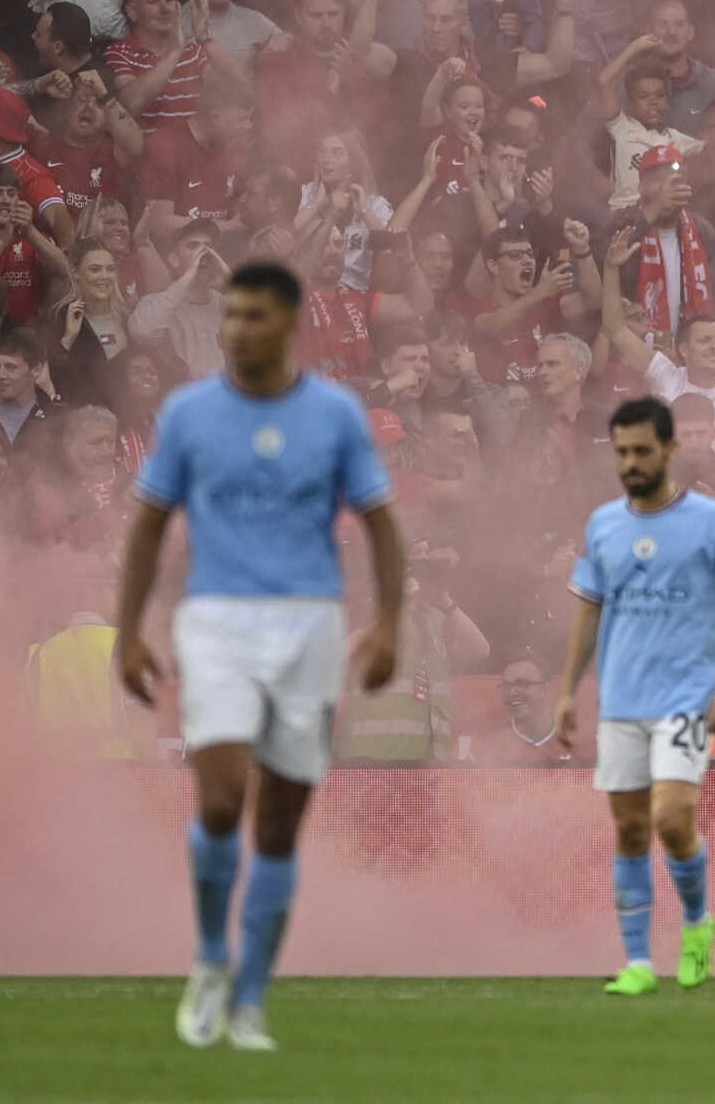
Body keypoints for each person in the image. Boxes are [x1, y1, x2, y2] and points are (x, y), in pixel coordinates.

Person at [115, 261, 406, 1051]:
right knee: (218, 799)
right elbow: (147, 524)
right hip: (215, 620)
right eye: (231, 315)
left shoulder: (336, 416)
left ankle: (249, 999)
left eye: (252, 316)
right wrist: (127, 628)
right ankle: (211, 956)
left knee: (278, 821)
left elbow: (381, 523)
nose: (236, 328)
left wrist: (387, 626)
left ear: (289, 323)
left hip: (310, 622)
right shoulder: (189, 413)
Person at [554, 396, 715, 996]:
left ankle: (698, 923)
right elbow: (588, 611)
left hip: (685, 698)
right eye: (621, 451)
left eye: (642, 450)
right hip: (621, 700)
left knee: (671, 818)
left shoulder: (711, 520)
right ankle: (640, 963)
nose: (630, 462)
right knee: (628, 830)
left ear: (670, 450)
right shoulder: (604, 525)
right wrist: (569, 690)